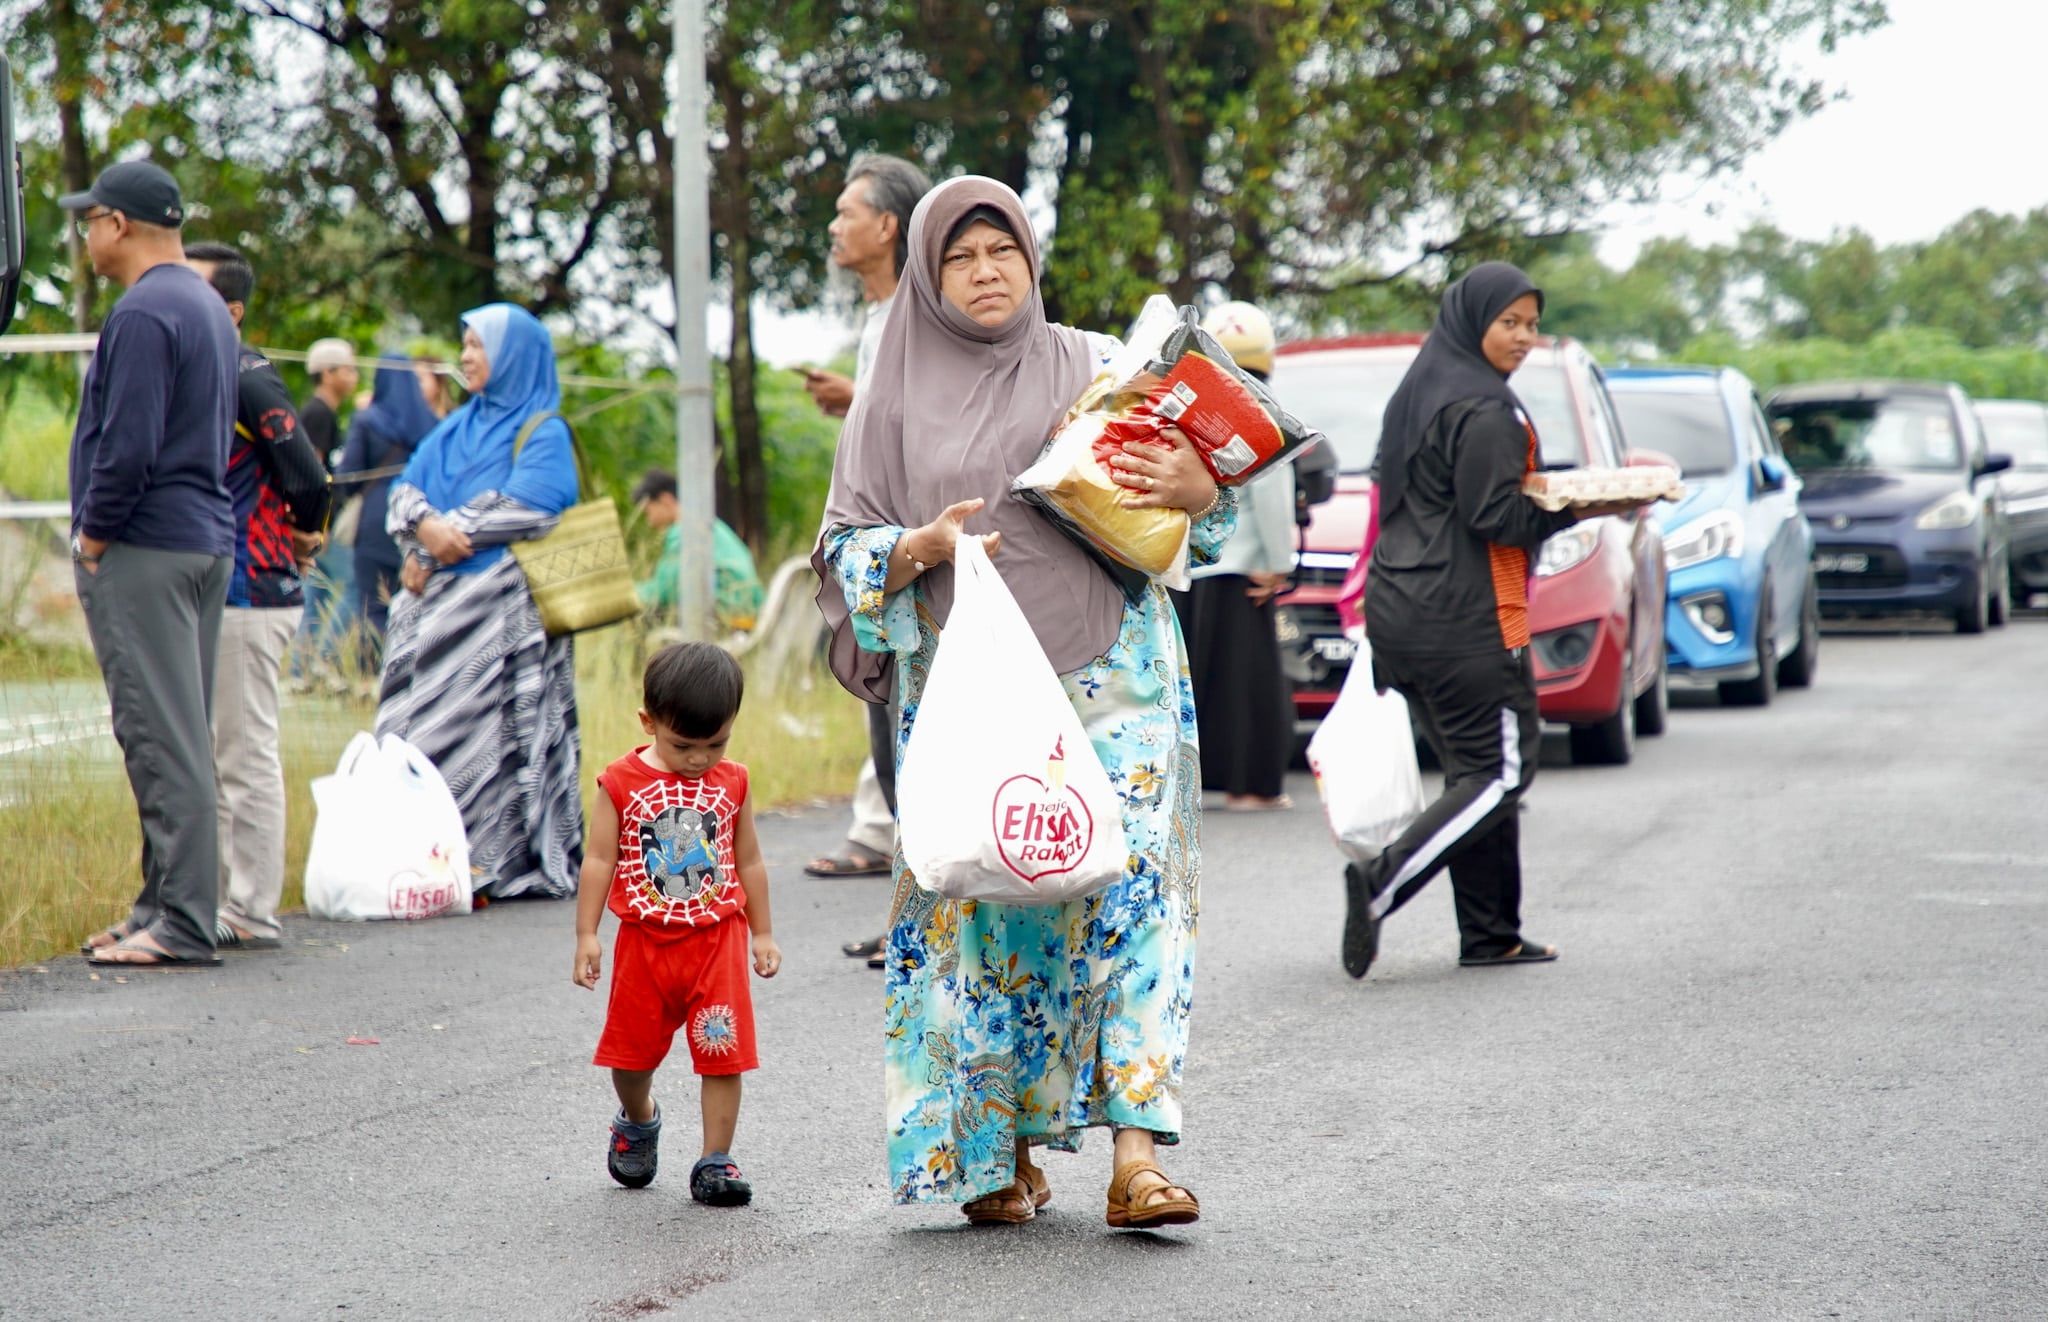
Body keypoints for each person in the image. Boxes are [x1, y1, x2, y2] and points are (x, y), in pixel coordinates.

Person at [815, 177, 1235, 1226]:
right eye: (959, 256)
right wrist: (915, 547)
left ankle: (1137, 1153)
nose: (986, 271)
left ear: (1031, 258)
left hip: (1116, 675)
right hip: (974, 691)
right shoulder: (889, 402)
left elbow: (1198, 501)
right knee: (995, 908)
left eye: (1001, 248)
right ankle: (998, 1151)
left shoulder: (1097, 365)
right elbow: (839, 551)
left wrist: (1200, 492)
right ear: (926, 273)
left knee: (1132, 898)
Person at [1341, 262, 1656, 979]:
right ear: (1472, 321)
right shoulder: (1487, 410)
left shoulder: (1418, 390)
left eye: (1532, 324)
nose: (1524, 338)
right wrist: (1582, 505)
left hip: (1402, 610)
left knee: (1469, 771)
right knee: (1499, 775)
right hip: (1466, 617)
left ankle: (1492, 933)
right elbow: (1495, 518)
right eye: (1509, 322)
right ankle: (1380, 884)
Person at [61, 161, 239, 969]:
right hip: (202, 540)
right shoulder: (205, 304)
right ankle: (158, 906)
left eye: (89, 220)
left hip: (146, 545)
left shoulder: (141, 313)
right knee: (177, 729)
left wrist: (92, 538)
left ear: (119, 224)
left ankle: (187, 921)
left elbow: (127, 448)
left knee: (161, 737)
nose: (84, 236)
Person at [376, 303, 584, 902]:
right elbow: (403, 490)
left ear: (513, 356)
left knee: (492, 740)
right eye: (464, 345)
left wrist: (437, 540)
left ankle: (492, 863)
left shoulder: (543, 429)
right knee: (418, 731)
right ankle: (423, 863)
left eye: (477, 346)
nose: (465, 357)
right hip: (429, 619)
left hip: (498, 622)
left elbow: (533, 504)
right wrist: (423, 526)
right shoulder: (453, 427)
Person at [572, 642, 781, 1206]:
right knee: (630, 1057)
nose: (699, 759)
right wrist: (587, 934)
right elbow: (599, 861)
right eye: (683, 745)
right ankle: (639, 1117)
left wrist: (761, 931)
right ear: (649, 722)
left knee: (724, 1051)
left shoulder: (732, 781)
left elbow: (750, 860)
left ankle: (716, 1160)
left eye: (716, 743)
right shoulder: (619, 782)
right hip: (645, 942)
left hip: (717, 939)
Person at [184, 241, 334, 951]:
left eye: (193, 286)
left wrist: (308, 536)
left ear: (232, 310)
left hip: (253, 588)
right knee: (211, 755)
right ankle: (208, 902)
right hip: (211, 588)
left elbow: (308, 475)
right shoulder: (195, 371)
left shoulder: (247, 374)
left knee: (244, 757)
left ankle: (251, 908)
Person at [801, 155, 933, 943]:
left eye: (848, 211)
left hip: (908, 557)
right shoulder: (879, 318)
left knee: (911, 738)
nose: (835, 225)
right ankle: (911, 917)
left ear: (888, 226)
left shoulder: (920, 317)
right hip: (868, 553)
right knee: (886, 737)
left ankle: (924, 922)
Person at [1173, 301, 1297, 812]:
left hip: (1191, 566)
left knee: (1195, 681)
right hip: (1243, 566)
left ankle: (1197, 785)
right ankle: (1251, 787)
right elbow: (1269, 492)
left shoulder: (1192, 405)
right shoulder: (1261, 408)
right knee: (1248, 685)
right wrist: (1279, 562)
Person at [338, 355, 442, 647]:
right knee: (415, 604)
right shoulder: (434, 425)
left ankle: (371, 678)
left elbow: (348, 477)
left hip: (375, 521)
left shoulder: (368, 419)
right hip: (421, 523)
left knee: (372, 606)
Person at [629, 469, 763, 634]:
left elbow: (665, 590)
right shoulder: (710, 525)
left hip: (725, 619)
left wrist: (627, 594)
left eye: (648, 512)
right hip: (747, 613)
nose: (649, 522)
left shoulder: (685, 532)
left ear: (665, 500)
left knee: (643, 621)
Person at [296, 337, 360, 673]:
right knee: (355, 582)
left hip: (321, 524)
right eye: (348, 369)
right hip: (323, 525)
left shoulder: (326, 413)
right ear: (327, 373)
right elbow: (314, 471)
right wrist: (319, 523)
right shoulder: (318, 413)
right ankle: (324, 658)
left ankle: (300, 667)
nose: (354, 376)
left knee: (316, 594)